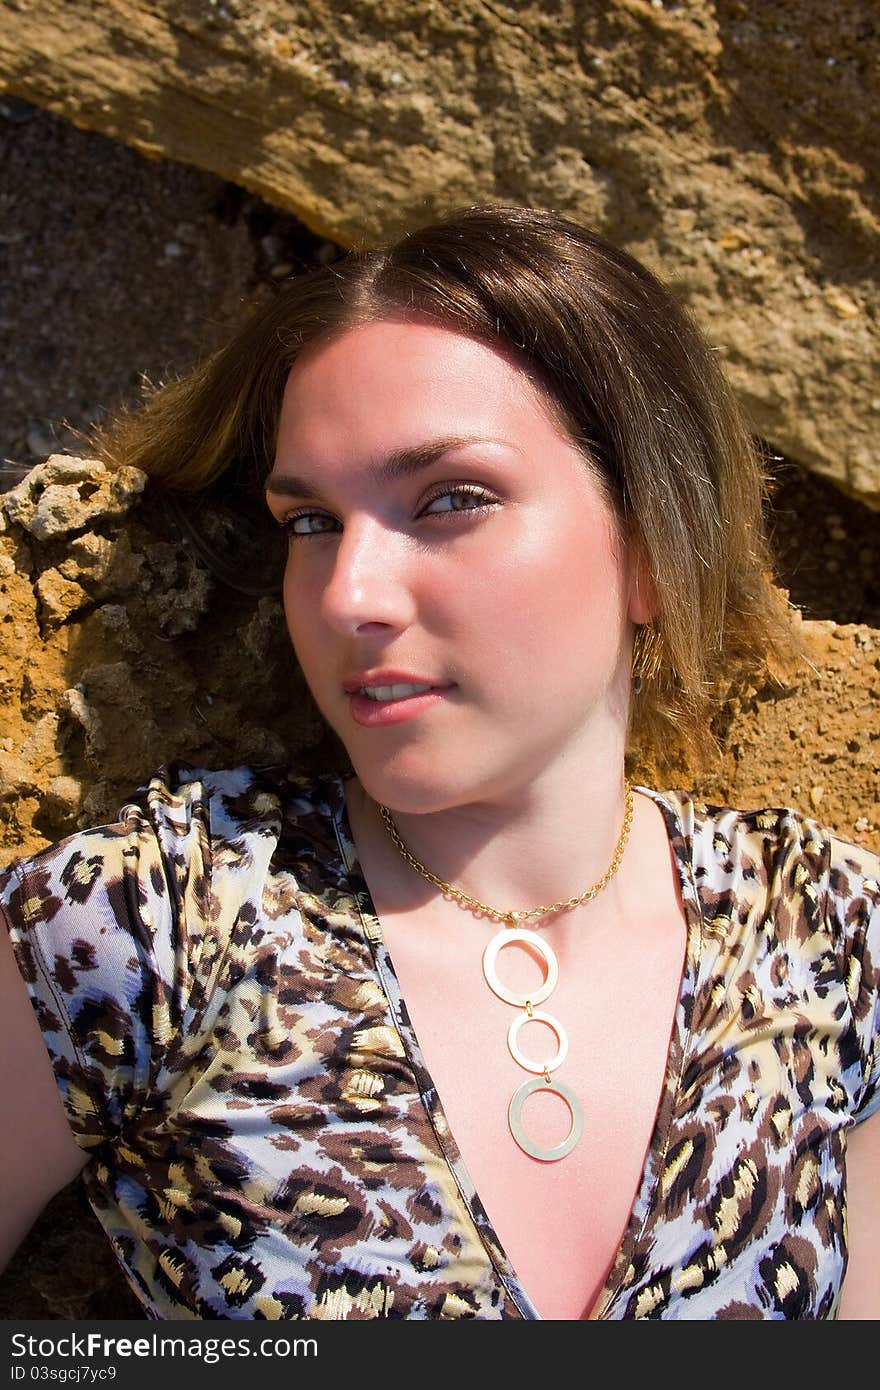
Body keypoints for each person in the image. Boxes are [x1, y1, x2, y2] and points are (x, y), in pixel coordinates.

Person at [1, 202, 877, 1322]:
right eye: (310, 522)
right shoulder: (157, 922)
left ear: (652, 544)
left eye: (449, 499)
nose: (348, 595)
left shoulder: (832, 942)